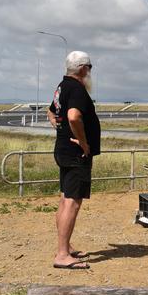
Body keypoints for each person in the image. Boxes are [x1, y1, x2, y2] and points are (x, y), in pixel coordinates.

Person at [47, 51, 100, 270]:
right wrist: (83, 142)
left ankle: (65, 246)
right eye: (89, 67)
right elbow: (73, 116)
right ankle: (61, 255)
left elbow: (51, 113)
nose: (89, 72)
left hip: (62, 149)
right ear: (82, 69)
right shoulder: (77, 89)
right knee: (72, 201)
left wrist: (61, 131)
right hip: (76, 154)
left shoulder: (62, 87)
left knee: (65, 198)